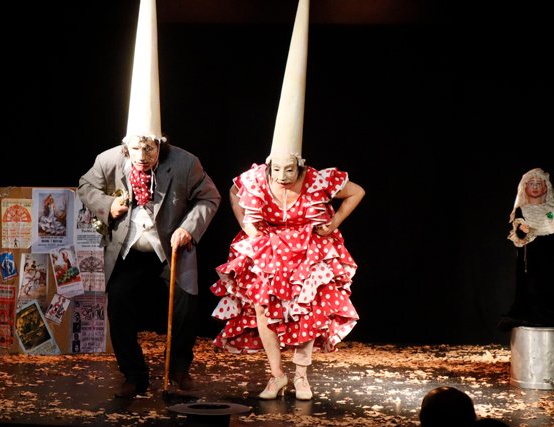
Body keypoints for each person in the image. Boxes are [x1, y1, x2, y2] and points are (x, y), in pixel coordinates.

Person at [210, 0, 364, 401]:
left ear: (300, 165)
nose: (281, 176)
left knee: (306, 310)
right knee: (262, 308)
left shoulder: (317, 180)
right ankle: (276, 374)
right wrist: (245, 225)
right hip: (267, 248)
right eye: (276, 169)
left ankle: (302, 376)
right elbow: (234, 192)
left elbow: (356, 191)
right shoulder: (256, 178)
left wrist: (334, 223)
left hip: (308, 248)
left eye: (288, 170)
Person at [78, 0, 220, 400]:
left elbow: (210, 197)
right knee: (119, 303)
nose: (142, 157)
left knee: (185, 306)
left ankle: (179, 371)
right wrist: (108, 206)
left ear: (161, 143)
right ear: (126, 146)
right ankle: (134, 374)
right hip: (129, 248)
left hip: (170, 246)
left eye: (150, 148)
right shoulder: (110, 160)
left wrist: (188, 230)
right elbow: (86, 186)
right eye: (136, 149)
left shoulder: (185, 163)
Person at [497, 167, 554, 331]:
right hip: (530, 254)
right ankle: (533, 316)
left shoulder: (551, 209)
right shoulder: (522, 209)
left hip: (549, 254)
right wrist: (522, 230)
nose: (535, 187)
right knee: (532, 284)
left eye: (538, 183)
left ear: (545, 187)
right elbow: (518, 232)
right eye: (531, 183)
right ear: (525, 187)